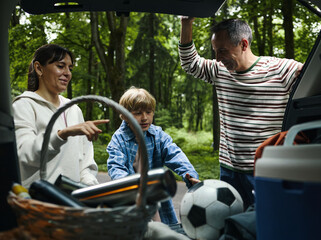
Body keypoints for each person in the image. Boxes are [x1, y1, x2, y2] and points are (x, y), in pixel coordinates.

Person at [179, 17, 303, 210]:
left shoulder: (280, 69)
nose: (218, 58)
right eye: (215, 51)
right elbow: (189, 62)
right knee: (234, 226)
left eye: (223, 51)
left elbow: (315, 80)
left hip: (265, 170)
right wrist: (186, 24)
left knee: (262, 226)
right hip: (229, 171)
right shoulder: (220, 71)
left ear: (244, 44)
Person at [13, 44, 109, 188]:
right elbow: (23, 154)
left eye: (70, 68)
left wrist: (90, 189)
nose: (67, 73)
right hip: (37, 201)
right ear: (39, 68)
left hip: (70, 202)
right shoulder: (24, 105)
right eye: (60, 66)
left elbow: (85, 164)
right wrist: (61, 134)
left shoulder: (74, 110)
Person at [107, 86, 200, 225]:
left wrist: (189, 174)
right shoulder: (118, 140)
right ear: (124, 115)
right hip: (132, 199)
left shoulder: (158, 135)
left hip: (155, 197)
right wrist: (133, 188)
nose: (144, 118)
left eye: (149, 112)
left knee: (163, 229)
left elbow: (175, 154)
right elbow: (116, 167)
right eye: (138, 113)